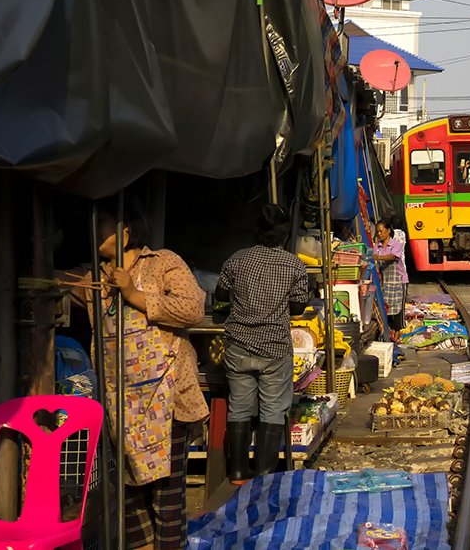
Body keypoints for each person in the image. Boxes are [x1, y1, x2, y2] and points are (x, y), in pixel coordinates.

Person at [72, 197, 208, 550]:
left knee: (166, 498)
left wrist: (133, 293)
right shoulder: (94, 278)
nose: (92, 231)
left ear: (124, 231)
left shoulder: (162, 263)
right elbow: (57, 283)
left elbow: (192, 309)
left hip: (168, 401)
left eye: (100, 224)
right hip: (121, 407)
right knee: (131, 497)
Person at [215, 205, 309, 484]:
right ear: (283, 234)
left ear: (257, 230)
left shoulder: (237, 259)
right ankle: (266, 475)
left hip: (239, 347)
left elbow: (221, 293)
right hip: (275, 348)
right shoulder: (294, 265)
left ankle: (239, 472)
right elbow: (297, 307)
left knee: (240, 407)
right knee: (272, 409)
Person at [374, 219, 408, 337]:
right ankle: (388, 333)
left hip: (398, 281)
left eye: (381, 231)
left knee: (398, 309)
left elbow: (393, 256)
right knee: (385, 307)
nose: (379, 234)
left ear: (388, 231)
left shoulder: (396, 244)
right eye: (377, 232)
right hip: (385, 282)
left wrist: (378, 257)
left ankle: (398, 333)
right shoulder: (376, 247)